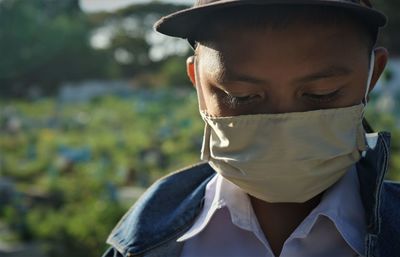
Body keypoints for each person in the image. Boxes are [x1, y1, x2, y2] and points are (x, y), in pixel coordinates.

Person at [102, 1, 400, 256]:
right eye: (239, 97)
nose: (284, 129)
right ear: (197, 83)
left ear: (371, 76)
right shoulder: (142, 241)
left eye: (323, 93)